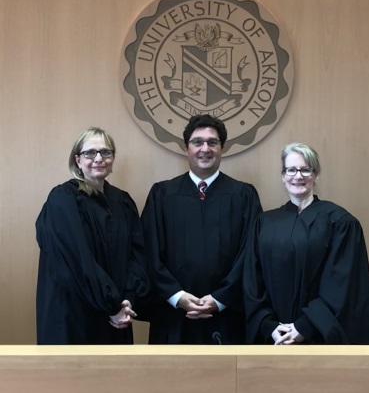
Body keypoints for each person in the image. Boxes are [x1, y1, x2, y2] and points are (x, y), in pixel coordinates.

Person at [141, 114, 262, 344]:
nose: (205, 148)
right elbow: (149, 252)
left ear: (222, 148)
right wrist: (177, 296)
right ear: (186, 148)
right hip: (173, 314)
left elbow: (251, 254)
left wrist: (220, 299)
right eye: (197, 142)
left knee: (227, 379)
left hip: (227, 315)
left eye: (212, 142)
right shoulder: (162, 194)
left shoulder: (244, 195)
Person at [243, 142, 369, 345]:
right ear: (283, 176)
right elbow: (253, 279)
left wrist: (304, 327)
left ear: (316, 175)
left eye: (306, 169)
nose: (298, 176)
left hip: (319, 337)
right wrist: (268, 325)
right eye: (291, 170)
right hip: (272, 336)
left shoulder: (340, 222)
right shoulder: (265, 223)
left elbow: (342, 284)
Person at [36, 127, 152, 344]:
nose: (99, 158)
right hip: (74, 314)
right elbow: (76, 260)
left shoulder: (123, 202)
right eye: (90, 153)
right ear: (78, 160)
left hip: (117, 315)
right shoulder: (63, 199)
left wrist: (128, 299)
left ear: (113, 159)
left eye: (105, 152)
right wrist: (112, 304)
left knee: (114, 376)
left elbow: (137, 257)